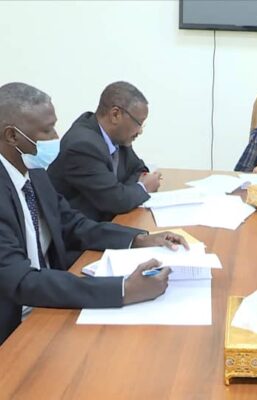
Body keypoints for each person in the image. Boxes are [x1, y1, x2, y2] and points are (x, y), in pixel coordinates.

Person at [0, 82, 188, 345]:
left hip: (47, 303)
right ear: (12, 136)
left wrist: (140, 239)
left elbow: (73, 225)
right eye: (46, 130)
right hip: (13, 323)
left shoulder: (34, 175)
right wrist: (123, 290)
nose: (56, 137)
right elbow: (22, 282)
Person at [48, 81, 161, 222]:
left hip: (107, 221)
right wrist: (143, 187)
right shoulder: (82, 146)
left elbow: (138, 169)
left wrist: (123, 190)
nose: (140, 131)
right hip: (80, 230)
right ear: (115, 115)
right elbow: (116, 201)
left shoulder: (118, 137)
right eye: (139, 123)